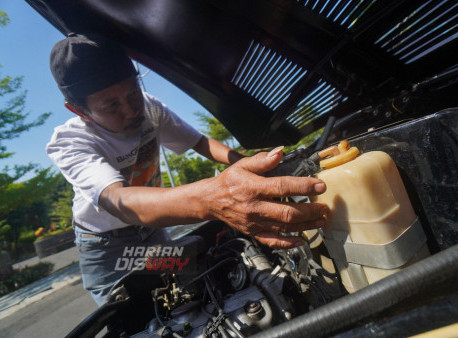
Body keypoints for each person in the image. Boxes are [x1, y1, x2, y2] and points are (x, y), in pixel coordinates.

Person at [46, 33, 328, 306]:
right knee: (132, 313)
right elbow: (121, 201)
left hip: (153, 228)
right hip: (109, 246)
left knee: (189, 293)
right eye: (112, 105)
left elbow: (200, 142)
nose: (131, 110)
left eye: (133, 93)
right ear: (79, 111)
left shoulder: (150, 109)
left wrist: (247, 162)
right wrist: (215, 198)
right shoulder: (70, 143)